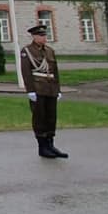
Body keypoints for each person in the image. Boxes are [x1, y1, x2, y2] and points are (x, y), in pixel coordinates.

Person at [21, 25, 67, 158]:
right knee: (40, 118)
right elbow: (26, 72)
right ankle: (42, 147)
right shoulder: (27, 51)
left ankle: (51, 145)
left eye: (44, 35)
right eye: (40, 35)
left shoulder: (50, 51)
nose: (43, 38)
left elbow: (55, 71)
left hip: (50, 88)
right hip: (38, 88)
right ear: (34, 37)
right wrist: (30, 90)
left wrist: (58, 89)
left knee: (51, 117)